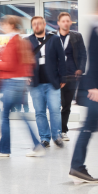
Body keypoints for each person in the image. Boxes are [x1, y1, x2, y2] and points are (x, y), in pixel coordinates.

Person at [0, 15, 42, 158]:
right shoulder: (22, 41)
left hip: (10, 83)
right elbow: (27, 63)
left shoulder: (13, 42)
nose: (2, 26)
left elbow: (8, 65)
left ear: (10, 25)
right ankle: (36, 144)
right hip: (19, 83)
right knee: (20, 115)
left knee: (4, 116)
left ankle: (4, 150)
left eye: (3, 24)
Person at [69, 0, 98, 183]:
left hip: (96, 91)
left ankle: (77, 167)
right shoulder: (97, 28)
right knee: (88, 128)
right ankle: (77, 166)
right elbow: (95, 60)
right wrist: (95, 88)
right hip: (97, 92)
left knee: (88, 128)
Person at [27, 16, 66, 149]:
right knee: (39, 112)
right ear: (32, 26)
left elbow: (61, 59)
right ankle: (44, 138)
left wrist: (63, 78)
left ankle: (57, 136)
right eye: (34, 24)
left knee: (55, 110)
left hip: (52, 82)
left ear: (44, 24)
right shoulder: (28, 41)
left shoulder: (54, 39)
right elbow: (24, 60)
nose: (37, 26)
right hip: (35, 82)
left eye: (39, 23)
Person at [57, 12, 87, 141]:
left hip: (71, 76)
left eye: (67, 21)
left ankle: (63, 130)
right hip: (56, 76)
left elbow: (83, 54)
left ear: (70, 23)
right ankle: (55, 130)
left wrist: (80, 68)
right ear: (59, 23)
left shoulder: (76, 36)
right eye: (63, 21)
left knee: (67, 105)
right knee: (54, 105)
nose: (65, 23)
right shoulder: (52, 37)